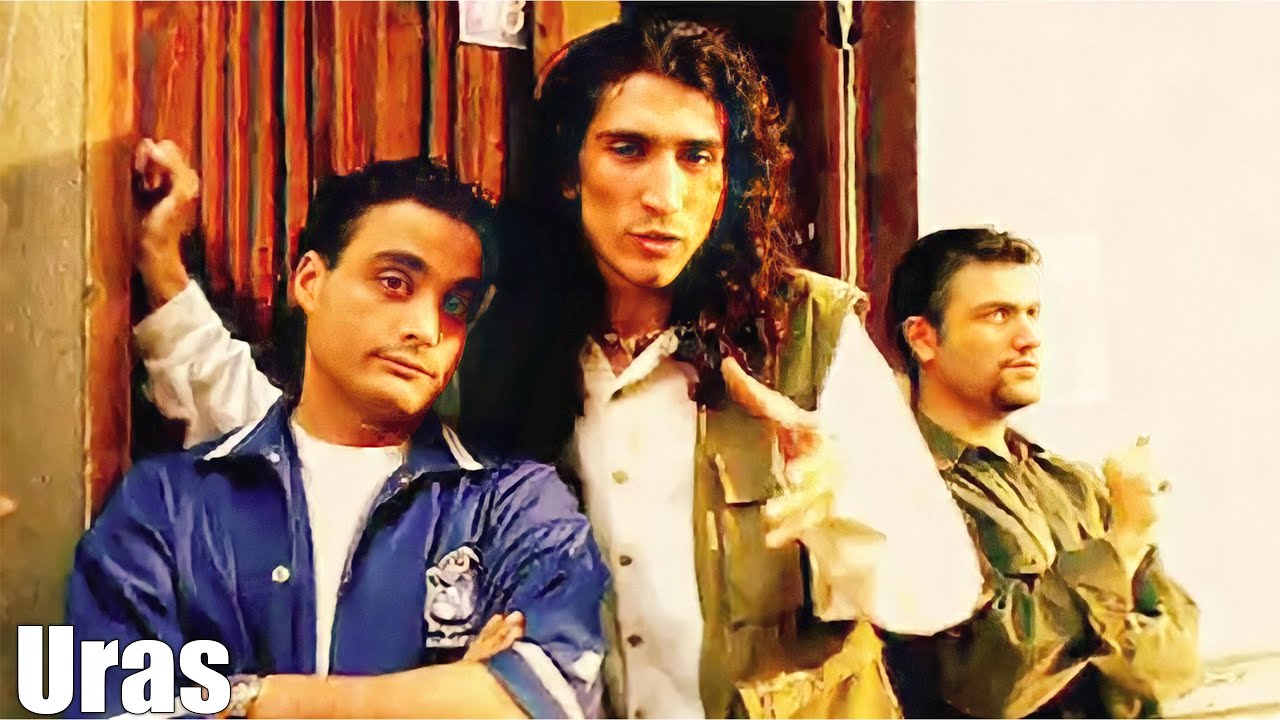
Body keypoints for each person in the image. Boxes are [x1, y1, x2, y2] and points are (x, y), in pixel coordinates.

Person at [125, 20, 984, 719]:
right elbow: (315, 448)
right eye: (629, 149)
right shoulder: (505, 339)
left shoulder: (803, 334)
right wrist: (164, 277)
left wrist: (845, 500)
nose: (664, 195)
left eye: (697, 158)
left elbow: (938, 594)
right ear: (572, 171)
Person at [67, 154, 608, 718]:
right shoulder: (167, 506)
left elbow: (551, 700)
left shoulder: (512, 508)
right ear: (310, 282)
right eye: (395, 283)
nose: (427, 329)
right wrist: (445, 694)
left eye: (455, 305)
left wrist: (250, 699)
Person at [883, 227, 1201, 718]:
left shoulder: (1076, 486)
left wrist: (1065, 630)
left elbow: (1174, 666)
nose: (1029, 337)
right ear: (923, 338)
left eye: (1032, 313)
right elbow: (988, 682)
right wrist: (1122, 546)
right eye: (997, 315)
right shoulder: (905, 497)